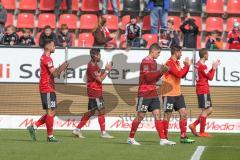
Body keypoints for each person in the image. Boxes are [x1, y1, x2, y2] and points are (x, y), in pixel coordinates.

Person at [127, 43, 176, 146]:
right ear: (153, 51)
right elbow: (148, 78)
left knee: (157, 114)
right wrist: (160, 71)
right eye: (158, 53)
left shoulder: (153, 62)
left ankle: (163, 139)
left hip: (153, 92)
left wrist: (162, 72)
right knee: (140, 116)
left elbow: (155, 78)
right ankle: (131, 138)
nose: (159, 55)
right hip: (144, 92)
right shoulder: (145, 62)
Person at [27, 40, 68, 142]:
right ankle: (50, 136)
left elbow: (53, 74)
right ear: (48, 47)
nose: (55, 47)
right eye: (53, 45)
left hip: (48, 87)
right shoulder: (47, 59)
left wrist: (60, 69)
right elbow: (54, 74)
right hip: (47, 87)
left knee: (52, 112)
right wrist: (62, 68)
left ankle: (34, 126)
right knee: (50, 112)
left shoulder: (45, 58)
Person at [72, 48, 114, 139]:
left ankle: (77, 129)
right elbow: (100, 79)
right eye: (99, 55)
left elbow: (98, 74)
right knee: (101, 111)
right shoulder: (92, 66)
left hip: (93, 91)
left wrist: (106, 69)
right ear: (95, 56)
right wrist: (107, 71)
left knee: (91, 112)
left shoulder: (94, 65)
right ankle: (103, 133)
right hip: (95, 91)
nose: (100, 57)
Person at [161, 45, 195, 144]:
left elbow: (182, 75)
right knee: (167, 115)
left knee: (183, 113)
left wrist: (186, 66)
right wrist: (187, 66)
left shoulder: (177, 63)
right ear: (176, 52)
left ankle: (183, 136)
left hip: (178, 93)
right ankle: (164, 138)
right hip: (168, 94)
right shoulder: (169, 63)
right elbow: (179, 74)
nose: (181, 54)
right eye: (180, 52)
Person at [188, 48, 220, 137]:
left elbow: (205, 75)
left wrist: (212, 68)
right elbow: (210, 77)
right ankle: (201, 131)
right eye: (207, 54)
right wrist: (214, 68)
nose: (208, 55)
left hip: (200, 89)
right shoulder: (202, 66)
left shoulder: (198, 65)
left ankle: (193, 125)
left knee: (205, 111)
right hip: (203, 89)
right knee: (208, 110)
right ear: (205, 55)